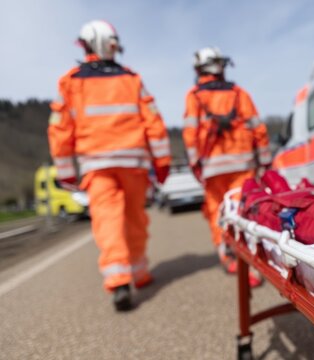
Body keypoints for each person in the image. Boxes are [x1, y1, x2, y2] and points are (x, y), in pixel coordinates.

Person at [48, 20, 171, 311]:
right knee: (135, 220)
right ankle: (139, 273)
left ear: (89, 43)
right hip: (134, 165)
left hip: (96, 165)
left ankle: (118, 281)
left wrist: (65, 172)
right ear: (108, 43)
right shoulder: (132, 79)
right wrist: (162, 162)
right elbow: (154, 123)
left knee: (108, 222)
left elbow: (59, 129)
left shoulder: (70, 81)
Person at [182, 47, 270, 285]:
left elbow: (190, 134)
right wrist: (264, 160)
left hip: (212, 168)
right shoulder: (239, 93)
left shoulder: (194, 96)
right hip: (242, 165)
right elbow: (258, 129)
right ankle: (253, 264)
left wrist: (194, 163)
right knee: (243, 211)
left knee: (216, 211)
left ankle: (227, 255)